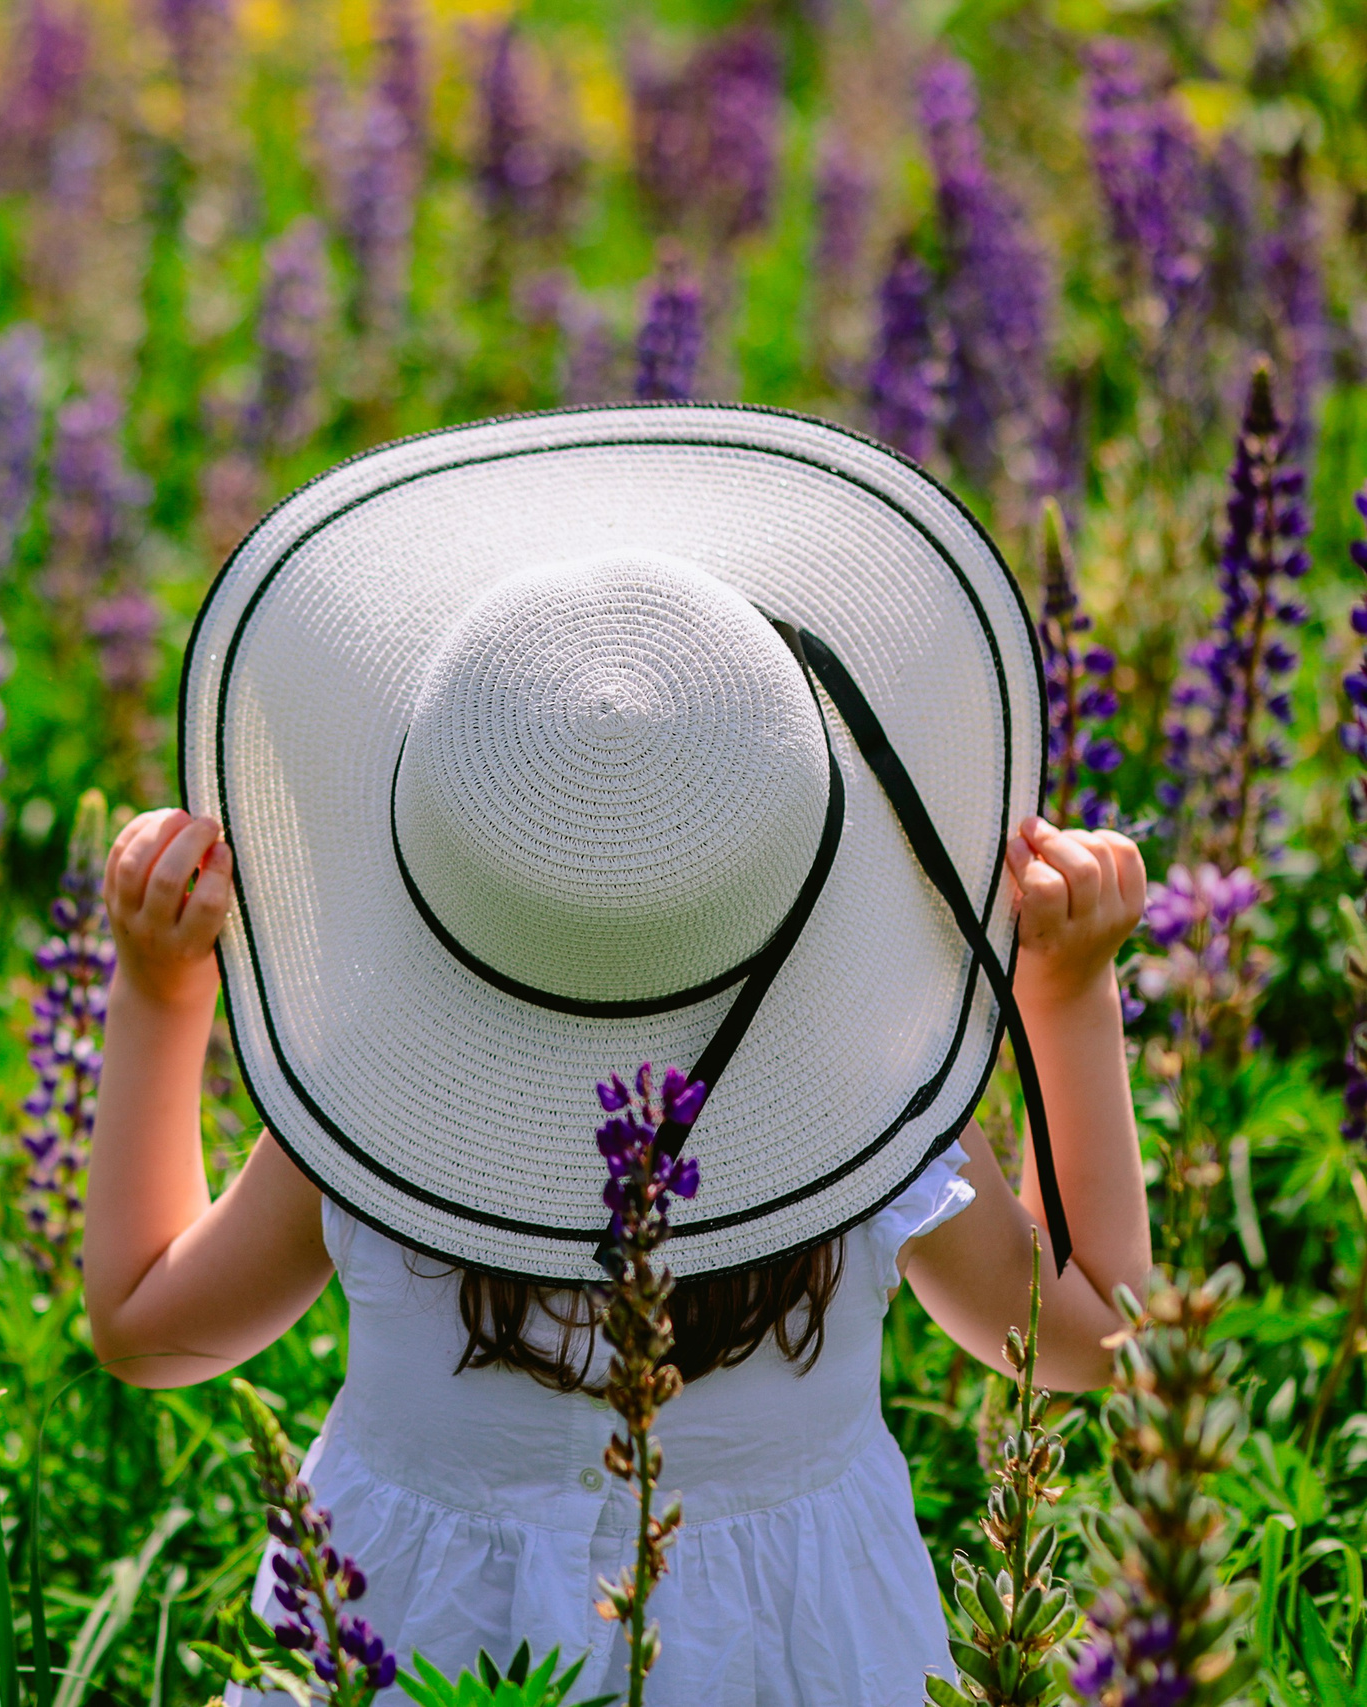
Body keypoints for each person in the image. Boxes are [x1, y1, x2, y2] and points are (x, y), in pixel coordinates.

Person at [80, 406, 1153, 1707]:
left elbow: (146, 1325)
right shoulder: (864, 1097)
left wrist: (158, 990)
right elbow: (1092, 1338)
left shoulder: (385, 1106)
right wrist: (1067, 994)